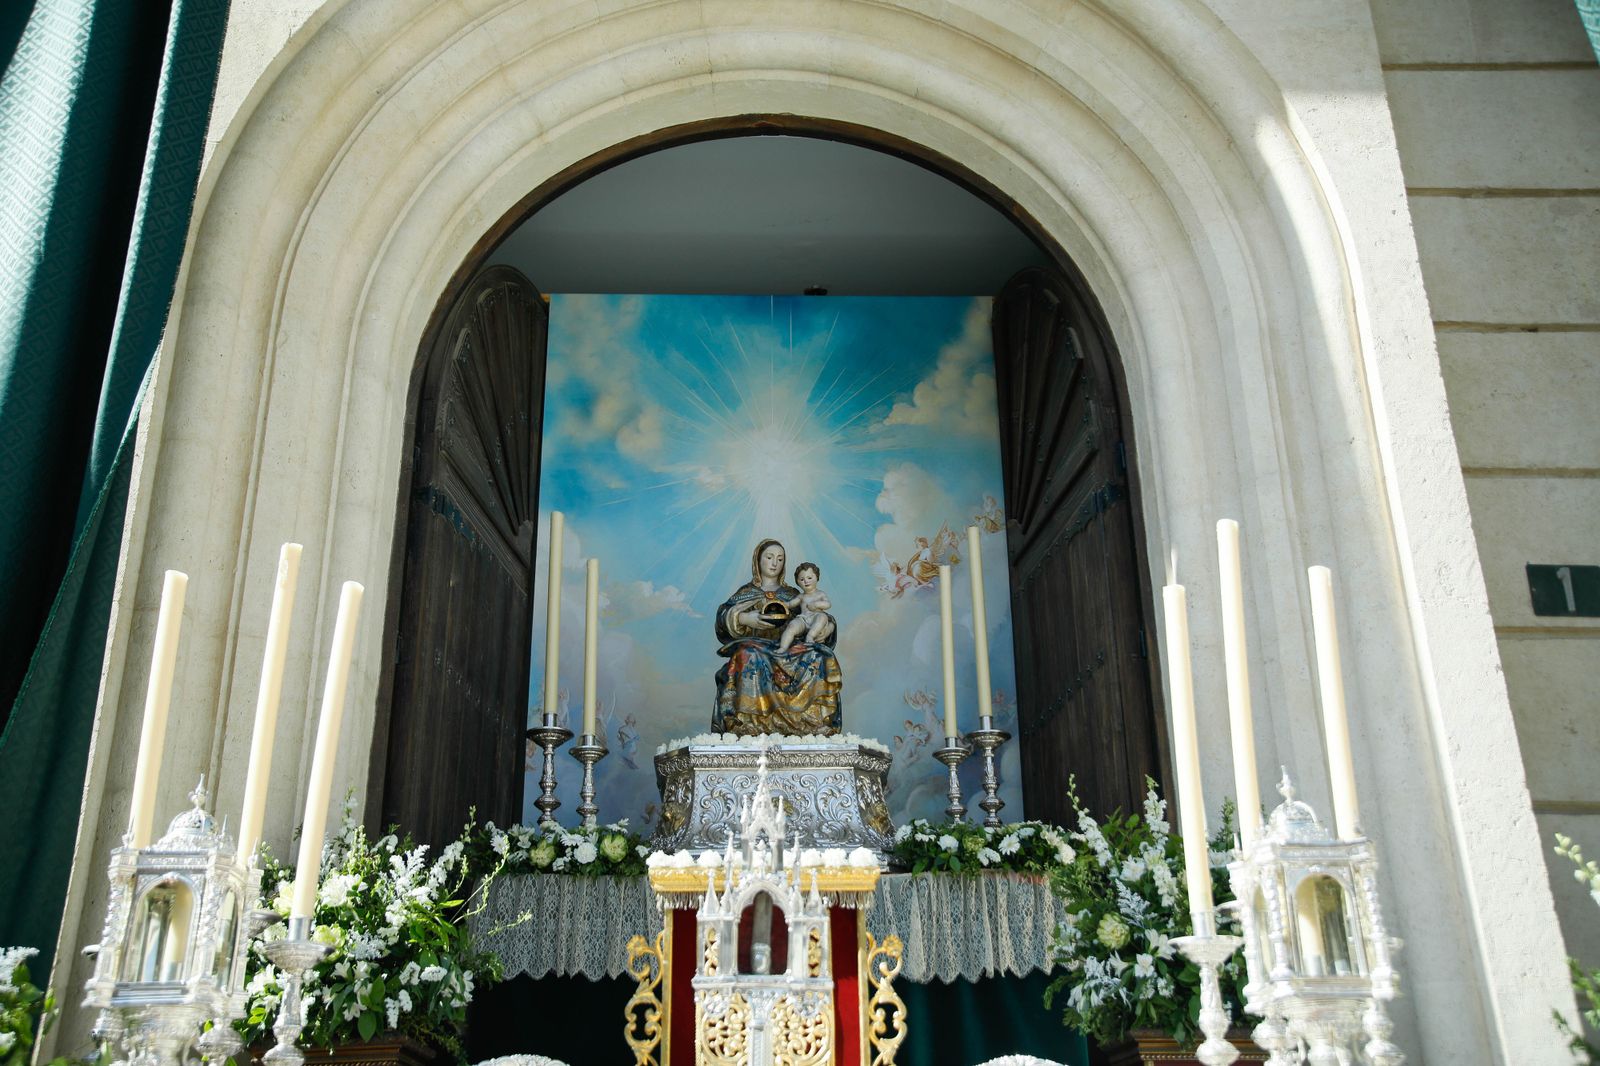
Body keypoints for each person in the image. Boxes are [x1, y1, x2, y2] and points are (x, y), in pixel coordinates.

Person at [713, 538, 842, 735]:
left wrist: (828, 627)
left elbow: (814, 613)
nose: (775, 563)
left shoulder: (792, 593)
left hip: (790, 648)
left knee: (820, 656)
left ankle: (811, 719)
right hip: (757, 646)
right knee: (747, 654)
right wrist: (745, 618)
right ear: (758, 560)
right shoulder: (746, 593)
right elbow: (723, 617)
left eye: (780, 559)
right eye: (769, 557)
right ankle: (751, 721)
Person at [776, 561, 831, 653]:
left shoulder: (820, 594)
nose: (806, 581)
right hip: (803, 619)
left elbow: (828, 604)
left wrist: (816, 605)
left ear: (817, 577)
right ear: (797, 582)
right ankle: (783, 647)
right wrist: (782, 604)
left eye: (809, 577)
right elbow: (791, 604)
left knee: (822, 617)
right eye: (802, 579)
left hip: (815, 618)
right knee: (791, 626)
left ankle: (810, 636)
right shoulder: (801, 596)